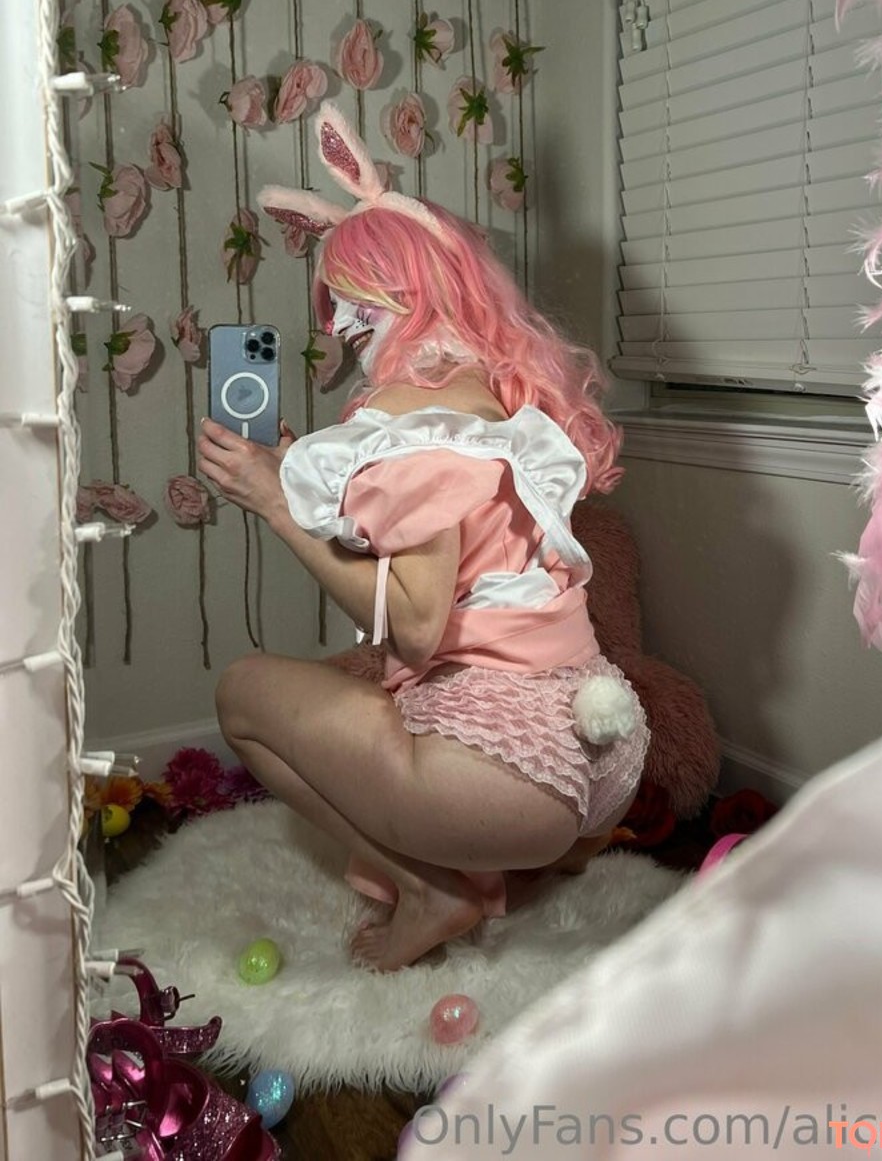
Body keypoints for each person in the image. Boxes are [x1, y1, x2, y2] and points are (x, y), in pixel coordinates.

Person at [197, 104, 649, 972]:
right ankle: (527, 854)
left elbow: (412, 625)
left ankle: (431, 887)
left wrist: (274, 504)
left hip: (512, 770)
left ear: (396, 297)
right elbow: (448, 553)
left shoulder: (403, 419)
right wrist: (299, 476)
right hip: (600, 742)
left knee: (243, 694)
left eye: (348, 302)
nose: (337, 327)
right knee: (373, 695)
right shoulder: (496, 391)